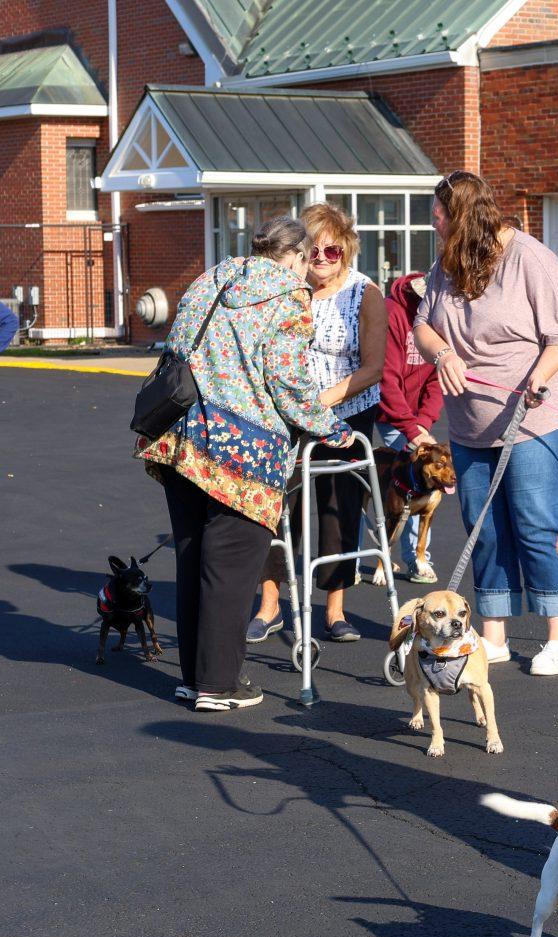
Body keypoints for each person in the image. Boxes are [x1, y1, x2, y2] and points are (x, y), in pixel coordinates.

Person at [135, 216, 352, 710]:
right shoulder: (288, 299)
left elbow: (178, 347)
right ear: (294, 256)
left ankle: (195, 677)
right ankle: (218, 685)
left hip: (181, 439)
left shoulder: (213, 277)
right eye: (306, 260)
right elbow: (289, 385)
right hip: (243, 455)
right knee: (230, 570)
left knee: (194, 562)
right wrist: (332, 429)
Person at [413, 171, 558, 676]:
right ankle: (493, 634)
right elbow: (423, 324)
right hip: (471, 424)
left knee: (537, 521)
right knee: (484, 526)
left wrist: (538, 377)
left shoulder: (528, 258)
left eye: (438, 213)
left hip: (536, 418)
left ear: (459, 217)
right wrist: (442, 351)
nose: (433, 221)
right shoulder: (446, 264)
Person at [250, 202, 386, 643]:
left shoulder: (365, 293)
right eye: (316, 252)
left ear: (347, 251)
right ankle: (270, 605)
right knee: (275, 507)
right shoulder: (285, 289)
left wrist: (319, 404)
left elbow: (373, 368)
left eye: (334, 252)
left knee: (337, 509)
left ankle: (334, 609)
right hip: (285, 414)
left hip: (345, 410)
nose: (324, 260)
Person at [377, 271, 443, 583]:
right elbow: (386, 377)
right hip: (383, 411)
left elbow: (436, 379)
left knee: (416, 483)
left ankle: (417, 559)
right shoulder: (392, 312)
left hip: (416, 418)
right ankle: (378, 554)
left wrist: (424, 423)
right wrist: (411, 429)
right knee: (379, 484)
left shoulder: (440, 316)